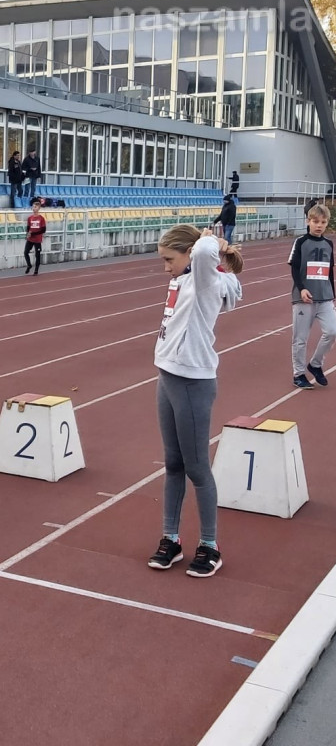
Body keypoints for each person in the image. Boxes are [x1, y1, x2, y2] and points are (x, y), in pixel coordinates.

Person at [148, 224, 243, 578]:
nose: (165, 267)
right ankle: (170, 539)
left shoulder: (204, 279)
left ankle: (209, 545)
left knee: (197, 468)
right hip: (167, 376)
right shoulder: (187, 277)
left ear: (189, 254)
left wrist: (210, 240)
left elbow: (204, 253)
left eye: (169, 259)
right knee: (173, 463)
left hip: (192, 381)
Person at [288, 203, 335, 390]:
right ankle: (298, 374)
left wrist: (332, 293)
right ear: (308, 221)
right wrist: (301, 289)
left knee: (332, 331)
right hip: (304, 299)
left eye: (323, 222)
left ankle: (315, 364)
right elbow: (294, 268)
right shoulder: (300, 242)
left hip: (325, 297)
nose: (319, 225)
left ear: (327, 223)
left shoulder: (329, 244)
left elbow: (329, 271)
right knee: (300, 339)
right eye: (315, 221)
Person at [24, 199, 46, 276]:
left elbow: (43, 230)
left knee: (37, 254)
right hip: (30, 239)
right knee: (26, 252)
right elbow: (28, 227)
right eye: (33, 207)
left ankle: (36, 270)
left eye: (35, 207)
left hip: (37, 239)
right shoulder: (30, 218)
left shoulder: (41, 218)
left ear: (38, 208)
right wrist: (27, 234)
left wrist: (34, 233)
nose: (34, 208)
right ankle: (29, 265)